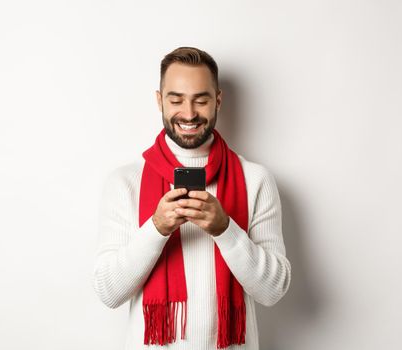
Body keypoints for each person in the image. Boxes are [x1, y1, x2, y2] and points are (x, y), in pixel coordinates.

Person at [92, 47, 291, 350]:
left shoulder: (255, 179)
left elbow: (273, 291)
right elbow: (109, 292)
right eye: (176, 100)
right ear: (159, 100)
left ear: (218, 101)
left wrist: (225, 229)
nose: (188, 113)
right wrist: (156, 228)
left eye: (201, 99)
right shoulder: (125, 182)